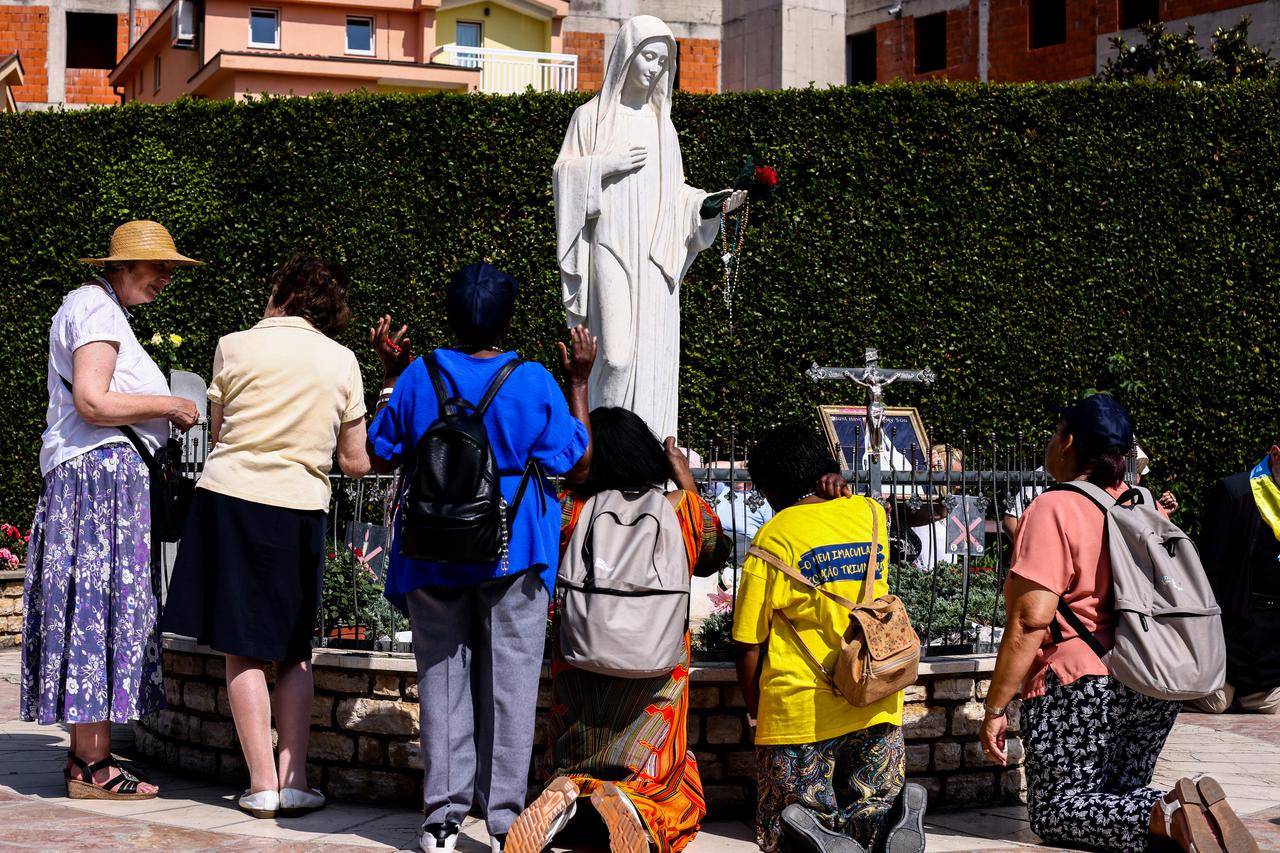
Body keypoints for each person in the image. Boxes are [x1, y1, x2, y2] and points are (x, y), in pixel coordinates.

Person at [367, 263, 595, 853]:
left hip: (431, 549)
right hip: (513, 550)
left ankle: (441, 820)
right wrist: (580, 382)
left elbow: (382, 447)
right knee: (512, 688)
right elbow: (577, 458)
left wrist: (394, 377)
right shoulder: (534, 379)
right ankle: (502, 825)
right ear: (507, 318)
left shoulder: (420, 375)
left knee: (442, 681)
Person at [980, 394, 1258, 852]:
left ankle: (1171, 814)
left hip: (1078, 683)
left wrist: (994, 708)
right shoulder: (1143, 502)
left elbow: (1031, 620)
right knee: (1118, 793)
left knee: (1057, 811)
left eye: (1055, 433)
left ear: (1068, 443)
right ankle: (1184, 812)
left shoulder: (1054, 507)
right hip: (1151, 675)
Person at [162, 255, 370, 819]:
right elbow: (354, 462)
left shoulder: (233, 345)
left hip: (230, 500)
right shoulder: (343, 360)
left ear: (281, 291)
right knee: (294, 650)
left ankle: (259, 784)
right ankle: (295, 779)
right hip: (298, 508)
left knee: (241, 649)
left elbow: (222, 429)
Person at [22, 220, 201, 799]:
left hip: (94, 481)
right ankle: (94, 766)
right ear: (121, 266)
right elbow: (93, 400)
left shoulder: (95, 308)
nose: (166, 277)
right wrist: (171, 404)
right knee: (98, 607)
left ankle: (87, 757)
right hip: (100, 482)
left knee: (89, 607)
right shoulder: (95, 309)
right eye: (157, 267)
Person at [510, 407, 730, 853]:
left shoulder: (571, 509)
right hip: (657, 672)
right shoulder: (683, 511)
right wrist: (684, 478)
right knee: (665, 781)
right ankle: (637, 804)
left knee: (574, 746)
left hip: (580, 660)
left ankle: (567, 791)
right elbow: (714, 553)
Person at [732, 424, 926, 853]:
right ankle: (891, 823)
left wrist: (755, 713)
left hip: (801, 708)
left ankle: (818, 839)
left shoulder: (774, 537)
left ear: (774, 486)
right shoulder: (871, 514)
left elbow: (748, 642)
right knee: (871, 808)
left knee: (792, 825)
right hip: (876, 691)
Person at [553, 14, 746, 439]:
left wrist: (707, 206)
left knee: (653, 358)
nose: (655, 68)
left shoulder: (665, 129)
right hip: (610, 247)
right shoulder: (590, 119)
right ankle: (603, 451)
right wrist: (606, 165)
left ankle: (647, 455)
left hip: (655, 258)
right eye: (648, 56)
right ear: (626, 56)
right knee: (617, 356)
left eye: (663, 61)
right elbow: (564, 175)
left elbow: (677, 196)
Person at [1187, 444, 1280, 715]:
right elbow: (1210, 569)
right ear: (1275, 454)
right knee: (1217, 703)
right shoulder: (1235, 492)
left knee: (1270, 704)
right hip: (1231, 630)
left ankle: (1246, 694)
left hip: (1268, 639)